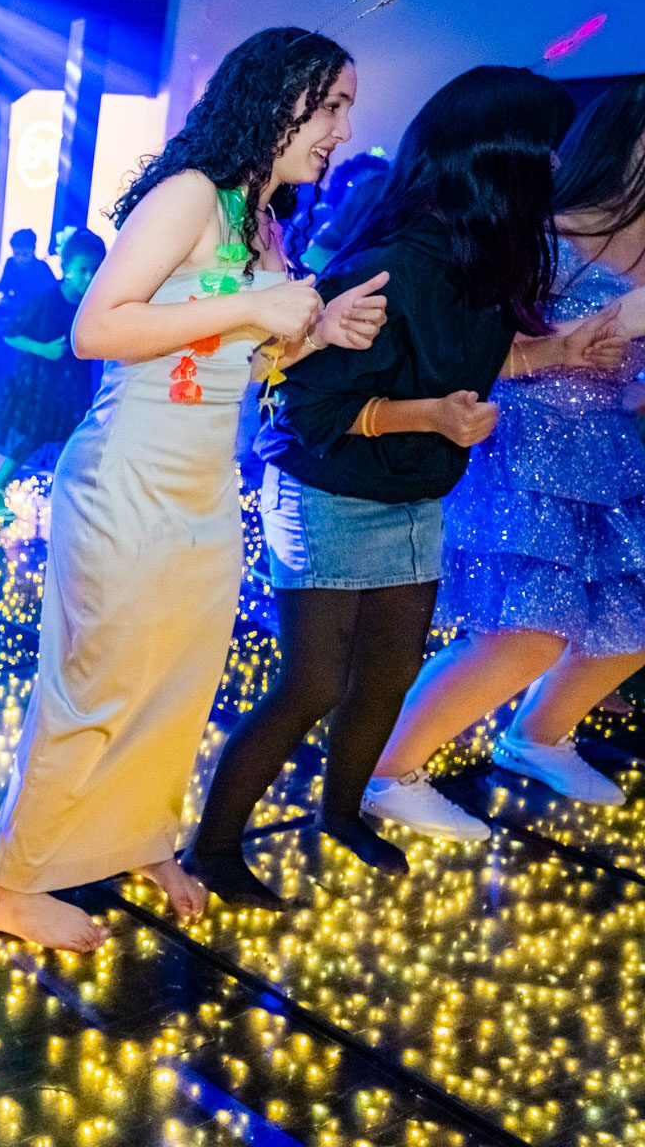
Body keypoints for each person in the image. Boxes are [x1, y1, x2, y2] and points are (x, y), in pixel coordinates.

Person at [0, 27, 390, 952]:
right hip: (128, 478)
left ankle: (136, 841)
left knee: (177, 681)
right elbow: (96, 330)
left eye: (346, 111)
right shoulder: (191, 194)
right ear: (275, 101)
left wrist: (315, 334)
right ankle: (13, 886)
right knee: (99, 686)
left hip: (204, 487)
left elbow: (240, 359)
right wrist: (256, 305)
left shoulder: (263, 220)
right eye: (330, 107)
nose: (342, 130)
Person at [186, 66, 599, 909]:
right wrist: (432, 417)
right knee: (312, 684)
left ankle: (343, 814)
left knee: (387, 674)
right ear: (502, 158)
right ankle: (214, 849)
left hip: (411, 494)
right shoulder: (389, 265)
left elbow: (470, 359)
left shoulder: (477, 258)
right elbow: (309, 410)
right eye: (549, 149)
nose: (560, 167)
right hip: (328, 493)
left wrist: (560, 351)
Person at [365, 75, 645, 837]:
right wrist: (568, 347)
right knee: (525, 634)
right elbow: (473, 351)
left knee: (629, 621)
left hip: (612, 462)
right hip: (529, 455)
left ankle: (539, 736)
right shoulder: (540, 234)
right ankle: (387, 769)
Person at [0, 227, 107, 517]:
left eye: (95, 270)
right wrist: (43, 349)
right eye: (82, 270)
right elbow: (11, 334)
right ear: (67, 268)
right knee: (33, 436)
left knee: (75, 439)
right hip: (41, 385)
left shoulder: (92, 304)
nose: (89, 277)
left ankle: (71, 500)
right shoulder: (46, 301)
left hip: (73, 386)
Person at [0, 227, 60, 308]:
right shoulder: (10, 263)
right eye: (17, 254)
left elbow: (52, 296)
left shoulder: (42, 268)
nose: (20, 259)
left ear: (33, 251)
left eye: (25, 254)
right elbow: (3, 288)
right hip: (15, 309)